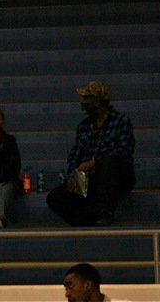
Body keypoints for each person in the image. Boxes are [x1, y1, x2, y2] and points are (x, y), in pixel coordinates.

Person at [46, 81, 136, 226]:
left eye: (86, 98)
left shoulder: (121, 121)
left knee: (109, 161)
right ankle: (89, 221)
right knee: (55, 198)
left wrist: (95, 161)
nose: (81, 102)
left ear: (97, 101)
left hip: (117, 177)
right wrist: (72, 177)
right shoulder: (84, 126)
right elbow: (75, 155)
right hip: (91, 178)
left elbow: (125, 150)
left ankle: (105, 212)